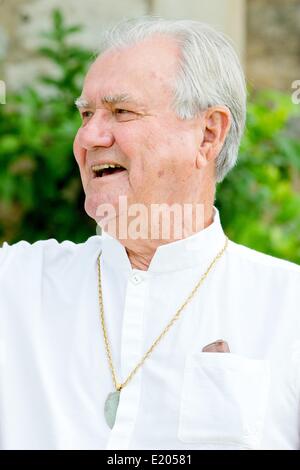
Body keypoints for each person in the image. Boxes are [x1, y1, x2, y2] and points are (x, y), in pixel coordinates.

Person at [0, 16, 300, 451]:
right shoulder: (17, 285)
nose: (88, 136)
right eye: (86, 114)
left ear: (208, 134)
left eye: (122, 111)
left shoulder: (289, 311)